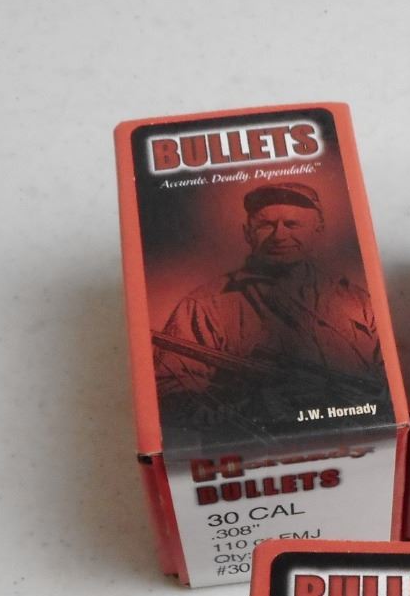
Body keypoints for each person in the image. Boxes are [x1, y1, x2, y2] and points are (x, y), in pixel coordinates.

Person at [155, 182, 384, 430]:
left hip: (359, 438)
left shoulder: (358, 301)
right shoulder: (207, 306)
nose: (279, 236)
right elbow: (171, 402)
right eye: (266, 225)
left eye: (292, 225)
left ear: (318, 230)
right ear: (247, 233)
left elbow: (388, 385)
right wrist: (252, 410)